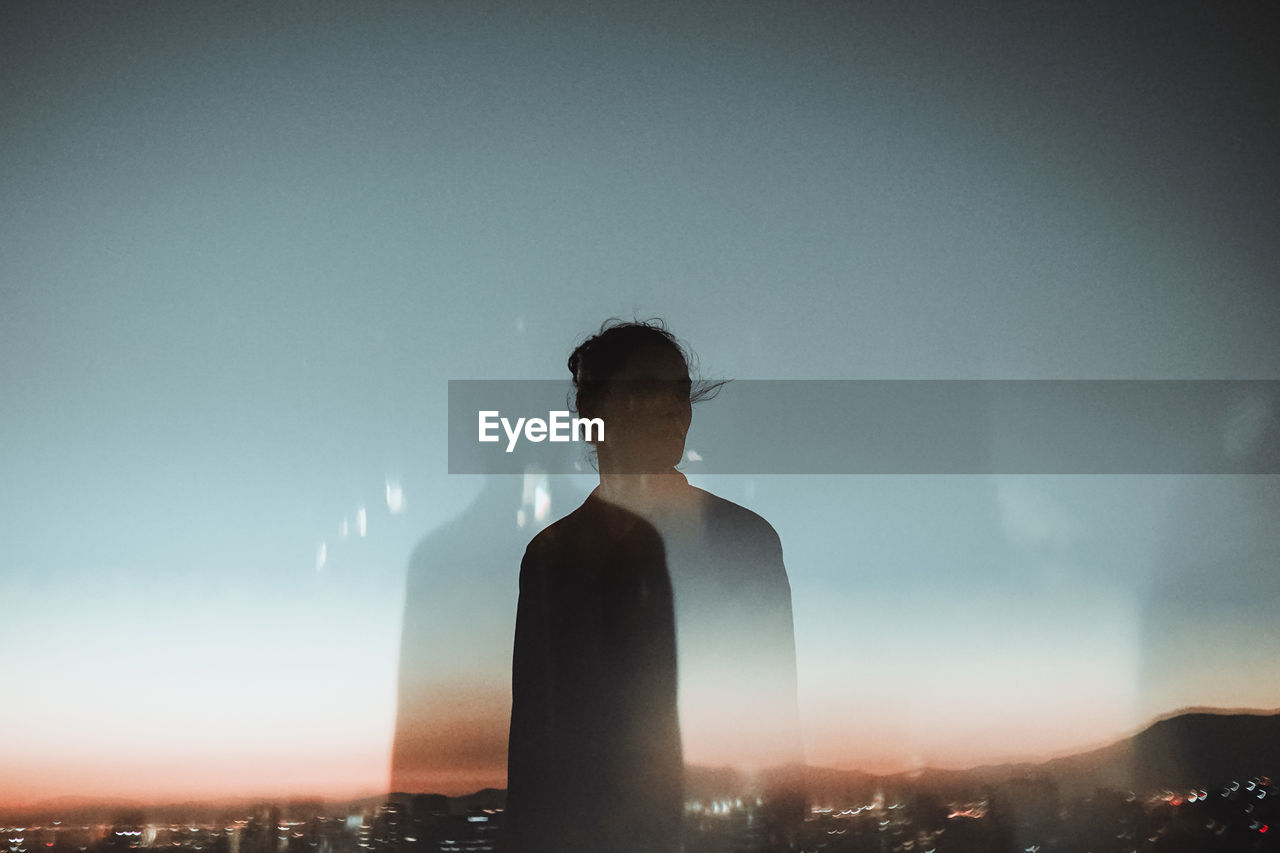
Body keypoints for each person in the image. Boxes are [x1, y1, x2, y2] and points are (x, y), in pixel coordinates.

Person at [502, 321, 803, 853]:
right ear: (596, 414)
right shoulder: (552, 557)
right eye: (645, 390)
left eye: (681, 393)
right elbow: (534, 740)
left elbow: (775, 718)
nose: (673, 409)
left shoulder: (743, 540)